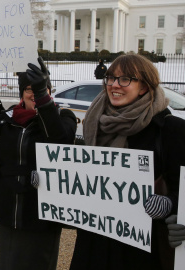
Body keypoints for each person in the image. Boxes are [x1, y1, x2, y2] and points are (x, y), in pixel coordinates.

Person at [0, 57, 77, 270]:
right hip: (8, 207)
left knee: (38, 262)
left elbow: (59, 139)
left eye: (40, 89)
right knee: (10, 262)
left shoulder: (62, 115)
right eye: (29, 90)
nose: (34, 94)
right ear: (21, 93)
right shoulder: (11, 116)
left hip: (41, 211)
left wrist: (42, 96)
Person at [70, 53, 185, 270]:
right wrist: (49, 184)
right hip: (94, 244)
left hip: (140, 250)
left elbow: (183, 188)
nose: (114, 85)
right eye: (111, 78)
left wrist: (170, 203)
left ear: (144, 87)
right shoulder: (95, 122)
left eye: (125, 79)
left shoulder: (170, 130)